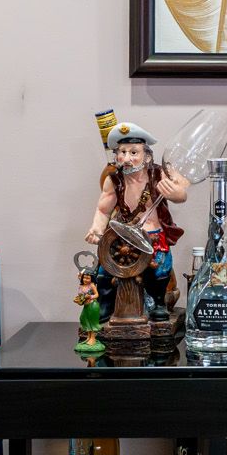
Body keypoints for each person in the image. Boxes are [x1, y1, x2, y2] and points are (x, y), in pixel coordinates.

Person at [86, 121, 190, 324]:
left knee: (159, 268)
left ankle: (159, 304)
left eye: (133, 152)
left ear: (147, 156)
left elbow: (182, 192)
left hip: (152, 235)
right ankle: (106, 304)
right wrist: (96, 229)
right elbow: (103, 209)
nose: (127, 159)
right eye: (122, 152)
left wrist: (175, 192)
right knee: (104, 270)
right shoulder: (114, 179)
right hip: (122, 236)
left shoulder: (158, 173)